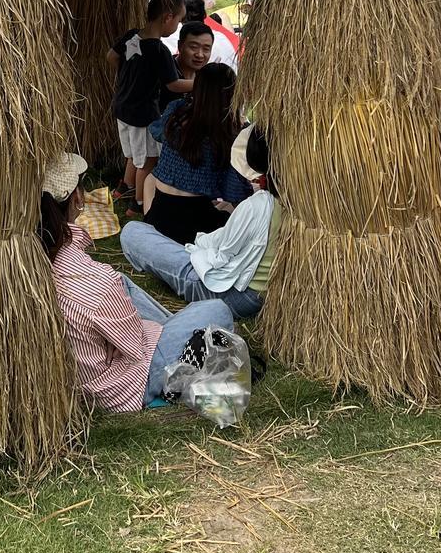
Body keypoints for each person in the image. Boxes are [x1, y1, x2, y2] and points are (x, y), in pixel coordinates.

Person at [41, 151, 234, 411]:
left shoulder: (34, 259)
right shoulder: (98, 282)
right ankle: (178, 335)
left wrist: (114, 331)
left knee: (121, 280)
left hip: (89, 373)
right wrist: (124, 330)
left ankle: (174, 328)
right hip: (125, 383)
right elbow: (135, 346)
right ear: (77, 198)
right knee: (217, 310)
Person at [121, 125, 280, 321]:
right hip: (258, 291)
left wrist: (198, 245)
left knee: (132, 232)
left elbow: (223, 252)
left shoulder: (258, 205)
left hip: (235, 293)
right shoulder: (297, 204)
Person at [109, 0, 189, 209]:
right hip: (142, 114)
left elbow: (111, 56)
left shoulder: (131, 35)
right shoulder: (159, 50)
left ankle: (123, 188)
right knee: (148, 160)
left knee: (134, 155)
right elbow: (173, 84)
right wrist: (202, 83)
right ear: (168, 18)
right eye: (179, 20)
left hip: (122, 107)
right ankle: (138, 203)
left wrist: (129, 72)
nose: (177, 26)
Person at [142, 61, 238, 244]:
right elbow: (234, 192)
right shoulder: (226, 133)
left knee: (151, 179)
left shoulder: (176, 110)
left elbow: (157, 132)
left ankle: (149, 224)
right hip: (196, 231)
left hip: (159, 218)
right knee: (234, 208)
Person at [163, 0, 238, 71]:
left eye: (206, 49)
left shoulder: (173, 34)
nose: (200, 55)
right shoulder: (220, 37)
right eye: (194, 47)